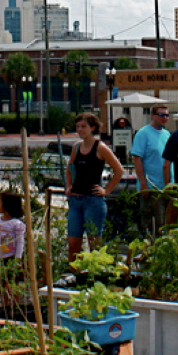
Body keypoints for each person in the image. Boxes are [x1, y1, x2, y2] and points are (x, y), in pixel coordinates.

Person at [65, 113, 124, 265]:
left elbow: (119, 170)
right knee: (73, 243)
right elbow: (69, 168)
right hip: (76, 200)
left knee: (94, 243)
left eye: (83, 127)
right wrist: (69, 186)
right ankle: (75, 274)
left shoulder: (101, 147)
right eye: (78, 127)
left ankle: (96, 274)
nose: (80, 130)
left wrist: (107, 190)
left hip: (93, 200)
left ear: (93, 128)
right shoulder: (76, 147)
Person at [131, 103, 171, 234]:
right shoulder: (143, 133)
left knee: (166, 225)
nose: (164, 118)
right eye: (161, 115)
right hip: (151, 189)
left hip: (166, 189)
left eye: (167, 115)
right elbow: (137, 159)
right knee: (151, 228)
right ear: (152, 115)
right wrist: (143, 185)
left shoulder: (167, 134)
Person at [0, 191, 26, 262]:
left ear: (7, 205)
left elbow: (20, 242)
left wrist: (18, 258)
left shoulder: (17, 224)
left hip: (11, 257)